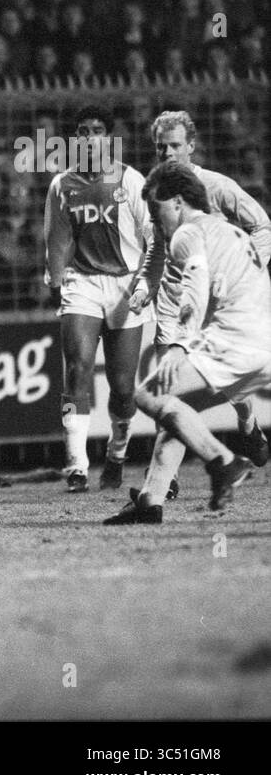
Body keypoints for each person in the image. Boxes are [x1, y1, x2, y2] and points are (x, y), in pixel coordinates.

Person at [105, 161, 270, 524]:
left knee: (148, 395)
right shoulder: (227, 231)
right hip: (260, 340)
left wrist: (181, 346)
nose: (153, 219)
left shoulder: (187, 234)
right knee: (178, 412)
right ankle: (150, 501)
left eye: (156, 208)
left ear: (178, 202)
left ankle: (223, 461)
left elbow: (193, 288)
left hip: (234, 338)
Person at [129, 109, 271, 471]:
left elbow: (263, 227)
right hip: (174, 302)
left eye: (176, 145)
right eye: (162, 147)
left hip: (215, 302)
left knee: (231, 390)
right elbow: (156, 249)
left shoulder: (217, 186)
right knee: (167, 389)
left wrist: (241, 271)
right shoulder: (157, 191)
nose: (168, 154)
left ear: (191, 146)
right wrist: (145, 284)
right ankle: (165, 483)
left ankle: (247, 425)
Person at [43, 105, 151, 493]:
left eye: (98, 131)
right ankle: (75, 465)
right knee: (78, 369)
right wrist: (57, 283)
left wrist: (145, 284)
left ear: (109, 137)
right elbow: (56, 239)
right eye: (82, 131)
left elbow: (151, 238)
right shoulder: (62, 185)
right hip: (83, 284)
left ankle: (117, 454)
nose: (90, 137)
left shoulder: (130, 180)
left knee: (123, 387)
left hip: (125, 285)